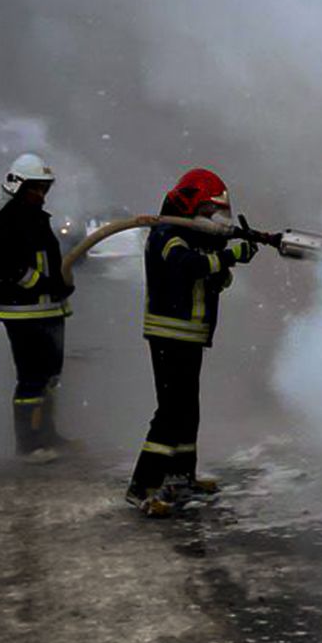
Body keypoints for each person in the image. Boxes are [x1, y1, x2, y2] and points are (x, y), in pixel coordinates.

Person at [125, 167, 257, 517]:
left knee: (186, 411)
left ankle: (181, 478)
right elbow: (185, 266)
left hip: (189, 336)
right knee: (169, 413)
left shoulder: (193, 237)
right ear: (189, 206)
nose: (211, 220)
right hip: (170, 334)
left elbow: (207, 279)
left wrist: (223, 265)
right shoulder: (167, 233)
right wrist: (229, 257)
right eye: (207, 212)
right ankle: (142, 487)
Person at [0, 153, 72, 461]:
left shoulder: (38, 220)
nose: (41, 194)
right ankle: (28, 443)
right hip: (23, 314)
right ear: (18, 186)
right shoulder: (4, 224)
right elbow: (8, 267)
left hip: (50, 311)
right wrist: (45, 284)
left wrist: (61, 284)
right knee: (31, 378)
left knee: (50, 377)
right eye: (35, 187)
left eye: (44, 188)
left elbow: (51, 264)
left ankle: (47, 433)